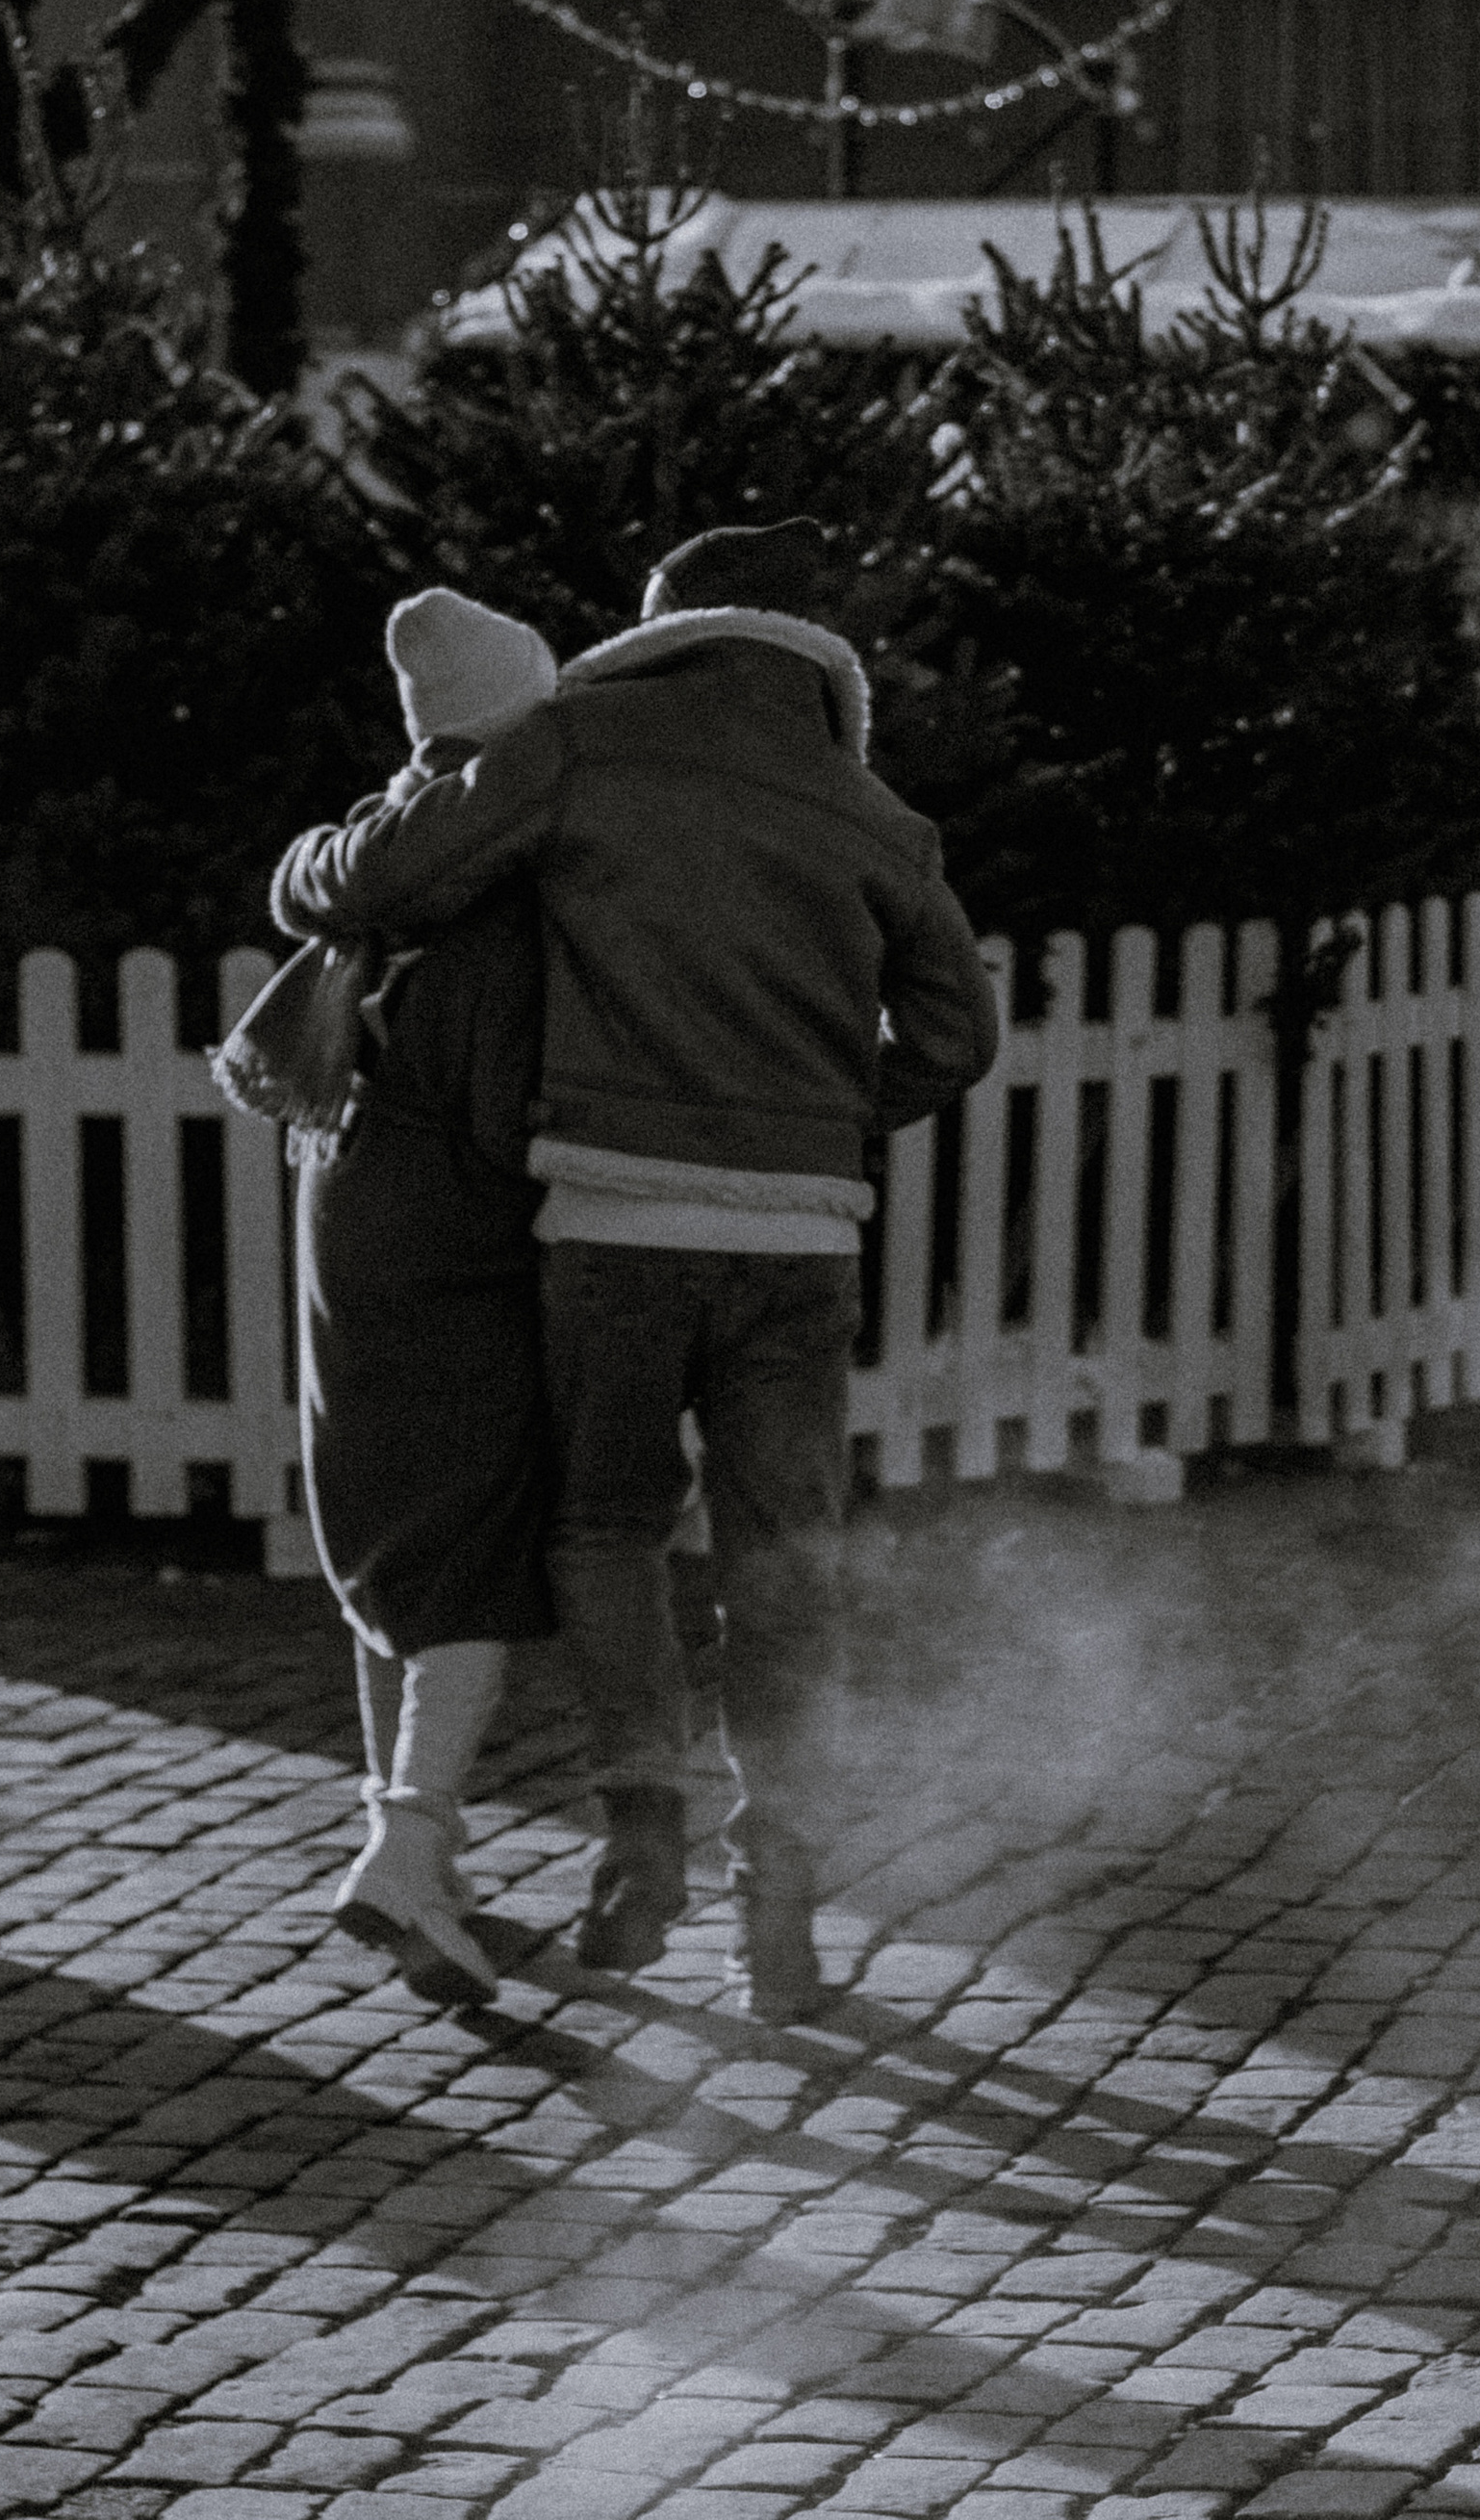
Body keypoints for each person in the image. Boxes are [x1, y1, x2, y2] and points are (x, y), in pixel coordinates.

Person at [271, 514, 1000, 2021]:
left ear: (662, 627)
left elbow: (386, 880)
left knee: (606, 1530)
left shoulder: (581, 746)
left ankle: (642, 1846)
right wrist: (824, 1118)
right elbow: (957, 1036)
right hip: (799, 1241)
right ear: (815, 659)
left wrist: (312, 863)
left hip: (608, 1225)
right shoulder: (876, 815)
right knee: (784, 1562)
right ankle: (780, 1923)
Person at [298, 587, 562, 2008]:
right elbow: (507, 1107)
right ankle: (409, 1849)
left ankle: (418, 1865)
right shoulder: (498, 886)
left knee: (382, 1530)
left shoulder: (380, 849)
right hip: (453, 1225)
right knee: (468, 1532)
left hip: (343, 1201)